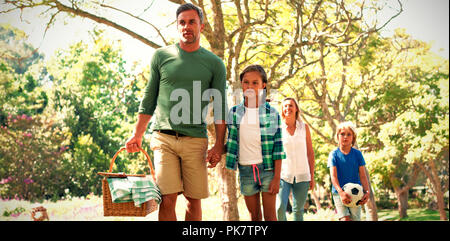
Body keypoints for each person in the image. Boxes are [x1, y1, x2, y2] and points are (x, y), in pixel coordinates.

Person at [125, 3, 227, 221]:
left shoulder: (214, 64)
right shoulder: (161, 57)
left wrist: (218, 144)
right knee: (167, 198)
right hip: (163, 138)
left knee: (193, 200)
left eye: (192, 22)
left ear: (201, 25)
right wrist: (137, 134)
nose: (186, 26)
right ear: (177, 25)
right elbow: (149, 98)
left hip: (195, 139)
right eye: (182, 22)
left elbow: (220, 107)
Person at [225, 64, 285, 221]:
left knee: (270, 216)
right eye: (246, 82)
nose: (250, 86)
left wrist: (277, 177)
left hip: (268, 170)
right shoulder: (234, 113)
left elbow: (278, 148)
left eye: (255, 82)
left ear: (263, 85)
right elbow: (232, 143)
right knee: (254, 217)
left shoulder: (272, 113)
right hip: (245, 171)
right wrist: (216, 151)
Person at [276, 98, 315, 221]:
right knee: (280, 207)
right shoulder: (278, 128)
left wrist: (312, 176)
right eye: (285, 106)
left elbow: (310, 153)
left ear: (296, 108)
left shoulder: (304, 128)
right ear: (282, 110)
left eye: (291, 105)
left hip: (303, 175)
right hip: (283, 175)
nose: (288, 108)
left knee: (298, 211)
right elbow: (275, 153)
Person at [327, 121, 370, 221]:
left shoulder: (358, 154)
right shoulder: (333, 155)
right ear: (337, 136)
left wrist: (366, 192)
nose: (345, 137)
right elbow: (333, 176)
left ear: (353, 138)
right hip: (339, 193)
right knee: (345, 219)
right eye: (342, 134)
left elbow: (363, 176)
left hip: (356, 193)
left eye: (349, 134)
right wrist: (341, 192)